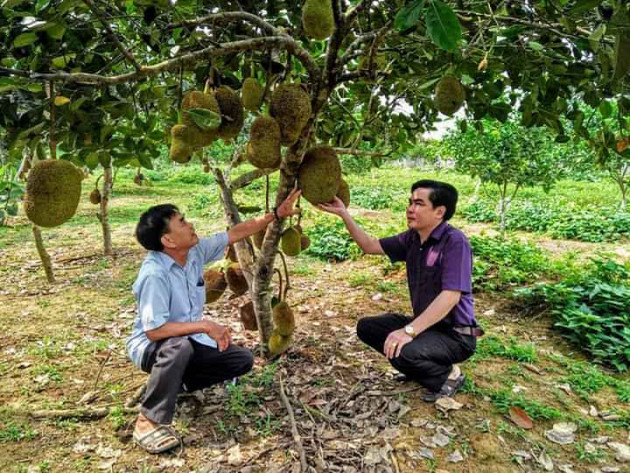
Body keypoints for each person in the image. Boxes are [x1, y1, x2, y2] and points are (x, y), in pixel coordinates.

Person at [127, 189, 300, 454]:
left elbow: (236, 233)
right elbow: (154, 331)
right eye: (182, 222)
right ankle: (146, 421)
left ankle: (175, 382)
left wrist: (275, 215)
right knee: (178, 348)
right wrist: (207, 325)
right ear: (168, 240)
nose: (190, 224)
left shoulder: (193, 253)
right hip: (154, 346)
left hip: (186, 341)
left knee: (241, 360)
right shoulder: (154, 274)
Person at [317, 180, 481, 402]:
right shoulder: (412, 238)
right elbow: (369, 246)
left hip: (456, 335)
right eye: (410, 202)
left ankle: (448, 375)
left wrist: (409, 331)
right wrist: (344, 214)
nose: (410, 209)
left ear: (439, 212)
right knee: (369, 328)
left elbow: (451, 295)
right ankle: (418, 365)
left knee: (403, 351)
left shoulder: (455, 242)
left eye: (419, 203)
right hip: (429, 326)